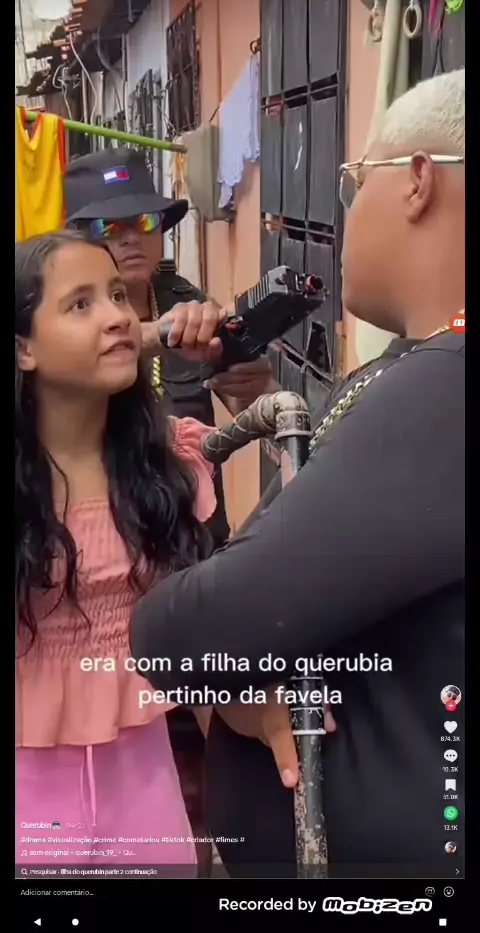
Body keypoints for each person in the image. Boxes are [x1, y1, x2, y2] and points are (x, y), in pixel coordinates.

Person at [131, 69, 465, 878]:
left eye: (355, 181)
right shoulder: (426, 370)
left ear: (417, 181)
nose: (349, 210)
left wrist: (214, 647)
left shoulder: (445, 388)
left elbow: (195, 631)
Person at [64, 147, 278, 866]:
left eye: (144, 222)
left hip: (193, 563)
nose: (130, 238)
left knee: (206, 764)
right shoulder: (55, 330)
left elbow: (247, 420)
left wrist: (254, 388)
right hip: (98, 591)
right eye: (107, 227)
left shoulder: (197, 309)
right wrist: (149, 337)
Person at [15, 230, 222, 873]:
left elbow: (200, 628)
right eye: (80, 304)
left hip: (145, 780)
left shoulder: (169, 467)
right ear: (23, 348)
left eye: (116, 297)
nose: (115, 317)